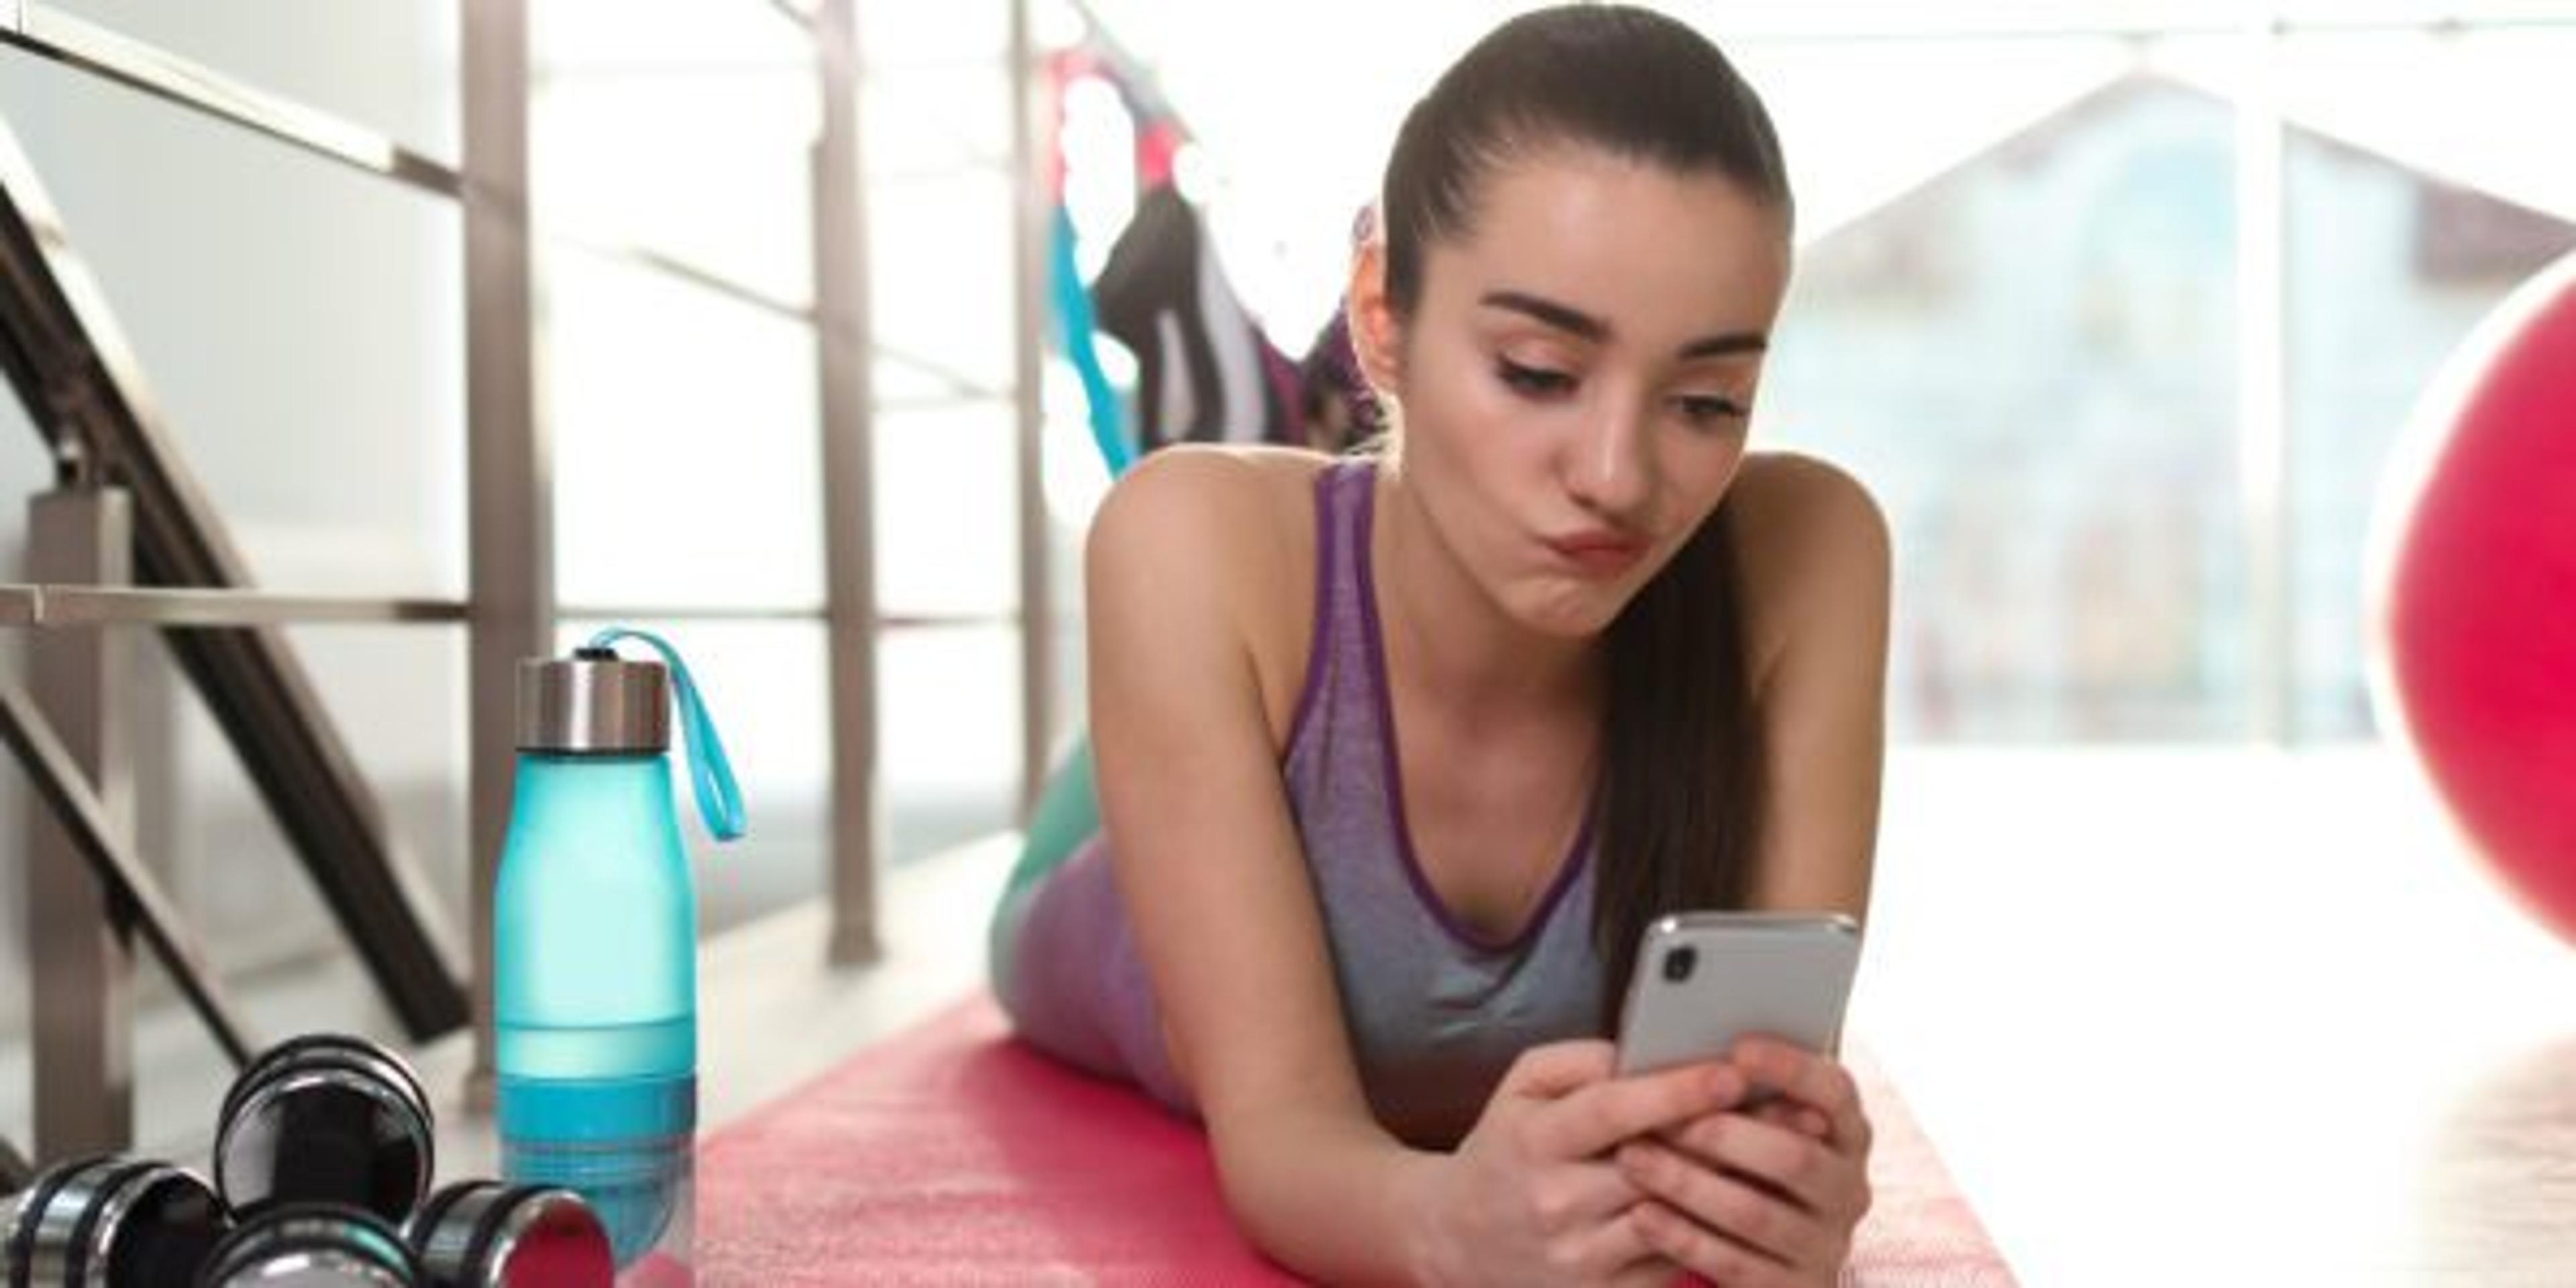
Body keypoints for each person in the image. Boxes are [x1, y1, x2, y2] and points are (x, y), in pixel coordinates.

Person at [987, 7, 1890, 1284]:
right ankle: (1163, 726)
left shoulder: (1811, 550)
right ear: (1380, 310)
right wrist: (1446, 1232)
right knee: (1172, 695)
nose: (1619, 479)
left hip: (1276, 655)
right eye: (1535, 370)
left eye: (1706, 402)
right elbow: (1288, 1139)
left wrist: (1781, 1198)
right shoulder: (1178, 536)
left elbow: (1758, 1112)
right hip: (1142, 835)